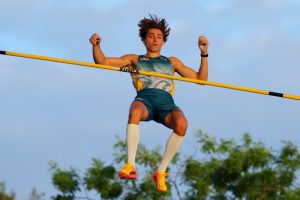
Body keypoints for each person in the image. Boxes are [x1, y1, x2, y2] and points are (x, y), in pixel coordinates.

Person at [89, 15, 208, 192]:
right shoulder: (135, 59)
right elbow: (102, 62)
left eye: (159, 37)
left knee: (182, 124)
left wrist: (204, 53)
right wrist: (96, 46)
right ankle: (130, 165)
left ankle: (160, 172)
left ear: (163, 41)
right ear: (144, 39)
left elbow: (201, 80)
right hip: (145, 100)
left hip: (166, 105)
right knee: (135, 110)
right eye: (151, 36)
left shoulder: (172, 62)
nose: (155, 40)